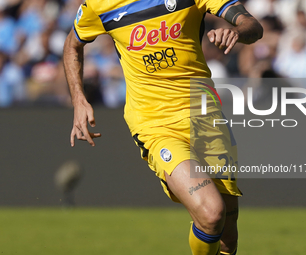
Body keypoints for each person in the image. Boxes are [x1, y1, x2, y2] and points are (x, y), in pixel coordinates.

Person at [63, 0, 263, 254]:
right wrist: (78, 100)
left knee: (228, 236)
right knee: (212, 214)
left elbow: (252, 25)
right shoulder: (100, 4)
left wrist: (236, 32)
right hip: (155, 124)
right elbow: (72, 44)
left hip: (206, 118)